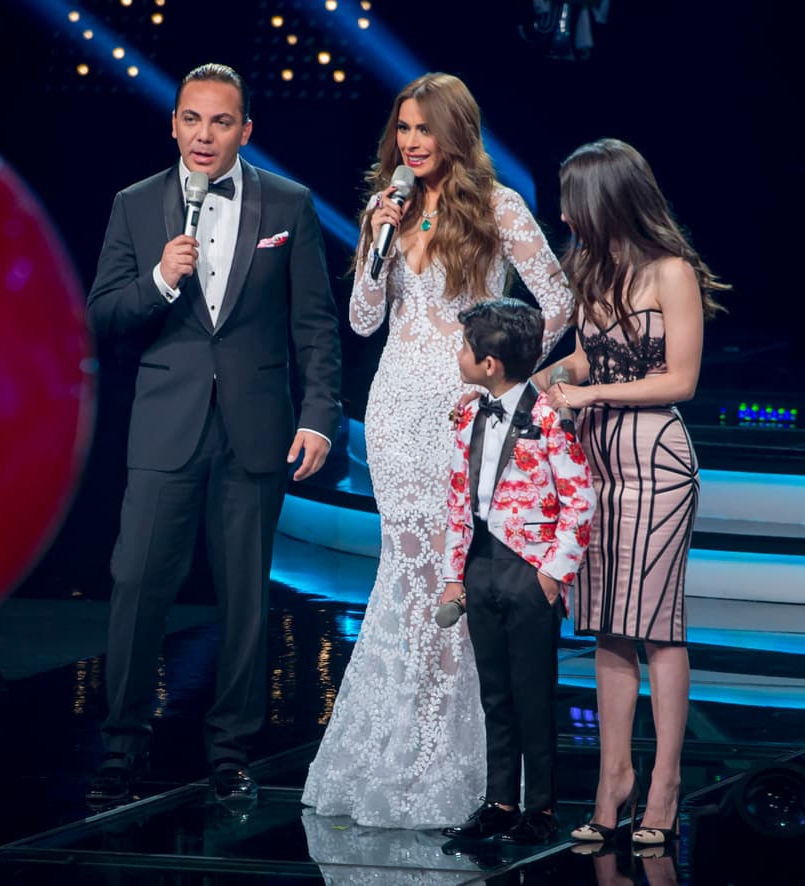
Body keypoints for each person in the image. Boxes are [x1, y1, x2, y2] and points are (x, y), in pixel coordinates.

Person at [301, 72, 573, 829]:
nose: (411, 144)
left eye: (424, 130)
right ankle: (401, 747)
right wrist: (370, 241)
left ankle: (454, 764)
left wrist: (507, 378)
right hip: (392, 410)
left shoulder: (498, 206)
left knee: (452, 576)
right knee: (408, 572)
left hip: (462, 410)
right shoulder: (390, 211)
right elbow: (362, 322)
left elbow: (558, 302)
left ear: (455, 132)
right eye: (403, 130)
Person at [83, 63, 343, 810]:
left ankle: (230, 751)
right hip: (166, 429)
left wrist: (319, 415)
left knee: (244, 598)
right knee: (137, 584)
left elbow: (314, 327)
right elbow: (101, 315)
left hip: (256, 431)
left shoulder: (288, 203)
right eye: (192, 119)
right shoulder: (134, 206)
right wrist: (161, 280)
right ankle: (123, 744)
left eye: (221, 122)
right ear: (173, 124)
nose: (204, 135)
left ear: (246, 131)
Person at [540, 138, 727, 847]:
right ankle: (611, 778)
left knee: (656, 625)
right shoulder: (588, 268)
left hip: (657, 463)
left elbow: (680, 380)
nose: (563, 212)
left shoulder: (671, 272)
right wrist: (535, 384)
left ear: (608, 198)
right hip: (597, 467)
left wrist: (588, 392)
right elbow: (588, 353)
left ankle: (665, 782)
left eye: (572, 199)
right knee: (607, 625)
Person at [436, 298, 596, 845]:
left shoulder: (550, 416)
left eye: (464, 347)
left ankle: (542, 807)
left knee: (533, 692)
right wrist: (456, 574)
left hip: (529, 571)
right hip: (481, 565)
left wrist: (552, 575)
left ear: (489, 364)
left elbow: (581, 499)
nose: (458, 355)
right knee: (495, 694)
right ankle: (500, 801)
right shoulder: (469, 412)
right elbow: (459, 496)